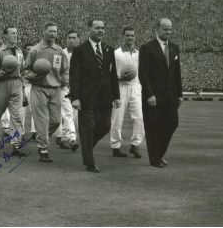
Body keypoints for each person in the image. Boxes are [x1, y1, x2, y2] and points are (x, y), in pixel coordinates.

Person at [69, 19, 121, 173]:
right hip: (87, 96)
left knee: (106, 126)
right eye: (97, 28)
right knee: (87, 128)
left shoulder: (108, 50)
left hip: (105, 96)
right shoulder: (80, 50)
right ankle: (90, 163)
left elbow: (112, 75)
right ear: (89, 29)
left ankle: (87, 145)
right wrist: (75, 97)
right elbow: (75, 76)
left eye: (103, 28)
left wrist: (116, 96)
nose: (101, 30)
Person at [138, 18, 183, 168]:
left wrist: (180, 94)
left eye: (170, 29)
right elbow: (143, 74)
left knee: (172, 123)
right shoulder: (147, 48)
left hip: (171, 96)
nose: (168, 32)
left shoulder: (174, 48)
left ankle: (159, 154)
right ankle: (154, 159)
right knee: (153, 128)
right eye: (165, 29)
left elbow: (177, 73)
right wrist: (150, 94)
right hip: (154, 97)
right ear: (157, 29)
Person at [23, 22, 69, 163]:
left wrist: (64, 80)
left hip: (55, 89)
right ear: (44, 32)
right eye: (50, 31)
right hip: (39, 88)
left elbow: (65, 69)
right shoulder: (35, 50)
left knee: (56, 121)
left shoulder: (59, 51)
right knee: (42, 120)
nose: (53, 34)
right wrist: (35, 75)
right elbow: (25, 70)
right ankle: (43, 149)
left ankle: (42, 138)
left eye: (55, 31)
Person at [0, 26, 26, 157]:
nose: (15, 35)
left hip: (17, 84)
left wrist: (23, 86)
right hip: (2, 84)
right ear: (6, 36)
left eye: (16, 33)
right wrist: (3, 72)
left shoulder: (20, 52)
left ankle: (16, 145)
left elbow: (22, 70)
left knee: (17, 117)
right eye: (13, 33)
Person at [109, 26, 145, 158]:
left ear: (135, 37)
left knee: (140, 117)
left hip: (135, 86)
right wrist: (120, 78)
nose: (130, 37)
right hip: (120, 86)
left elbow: (141, 72)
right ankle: (115, 146)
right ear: (123, 36)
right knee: (117, 118)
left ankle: (135, 145)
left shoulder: (138, 53)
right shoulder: (116, 53)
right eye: (127, 35)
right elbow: (110, 73)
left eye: (132, 35)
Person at [56, 30, 80, 151]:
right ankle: (71, 139)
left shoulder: (82, 53)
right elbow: (56, 70)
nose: (71, 40)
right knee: (67, 113)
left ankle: (64, 138)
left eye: (74, 37)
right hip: (64, 87)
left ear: (78, 39)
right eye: (69, 37)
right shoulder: (61, 53)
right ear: (66, 39)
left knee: (73, 116)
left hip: (77, 88)